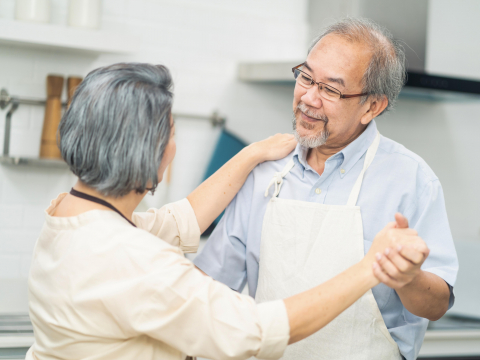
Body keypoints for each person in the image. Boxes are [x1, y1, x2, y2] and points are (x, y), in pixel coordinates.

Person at [26, 62, 426, 360]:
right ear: (143, 151)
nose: (173, 147)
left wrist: (252, 153)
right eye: (172, 133)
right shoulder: (133, 260)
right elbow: (254, 330)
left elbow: (177, 221)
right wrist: (371, 266)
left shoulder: (69, 215)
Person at [194, 18, 459, 360]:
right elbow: (211, 286)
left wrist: (407, 278)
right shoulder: (266, 171)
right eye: (305, 77)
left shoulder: (412, 180)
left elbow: (435, 305)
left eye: (330, 90)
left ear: (372, 106)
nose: (308, 98)